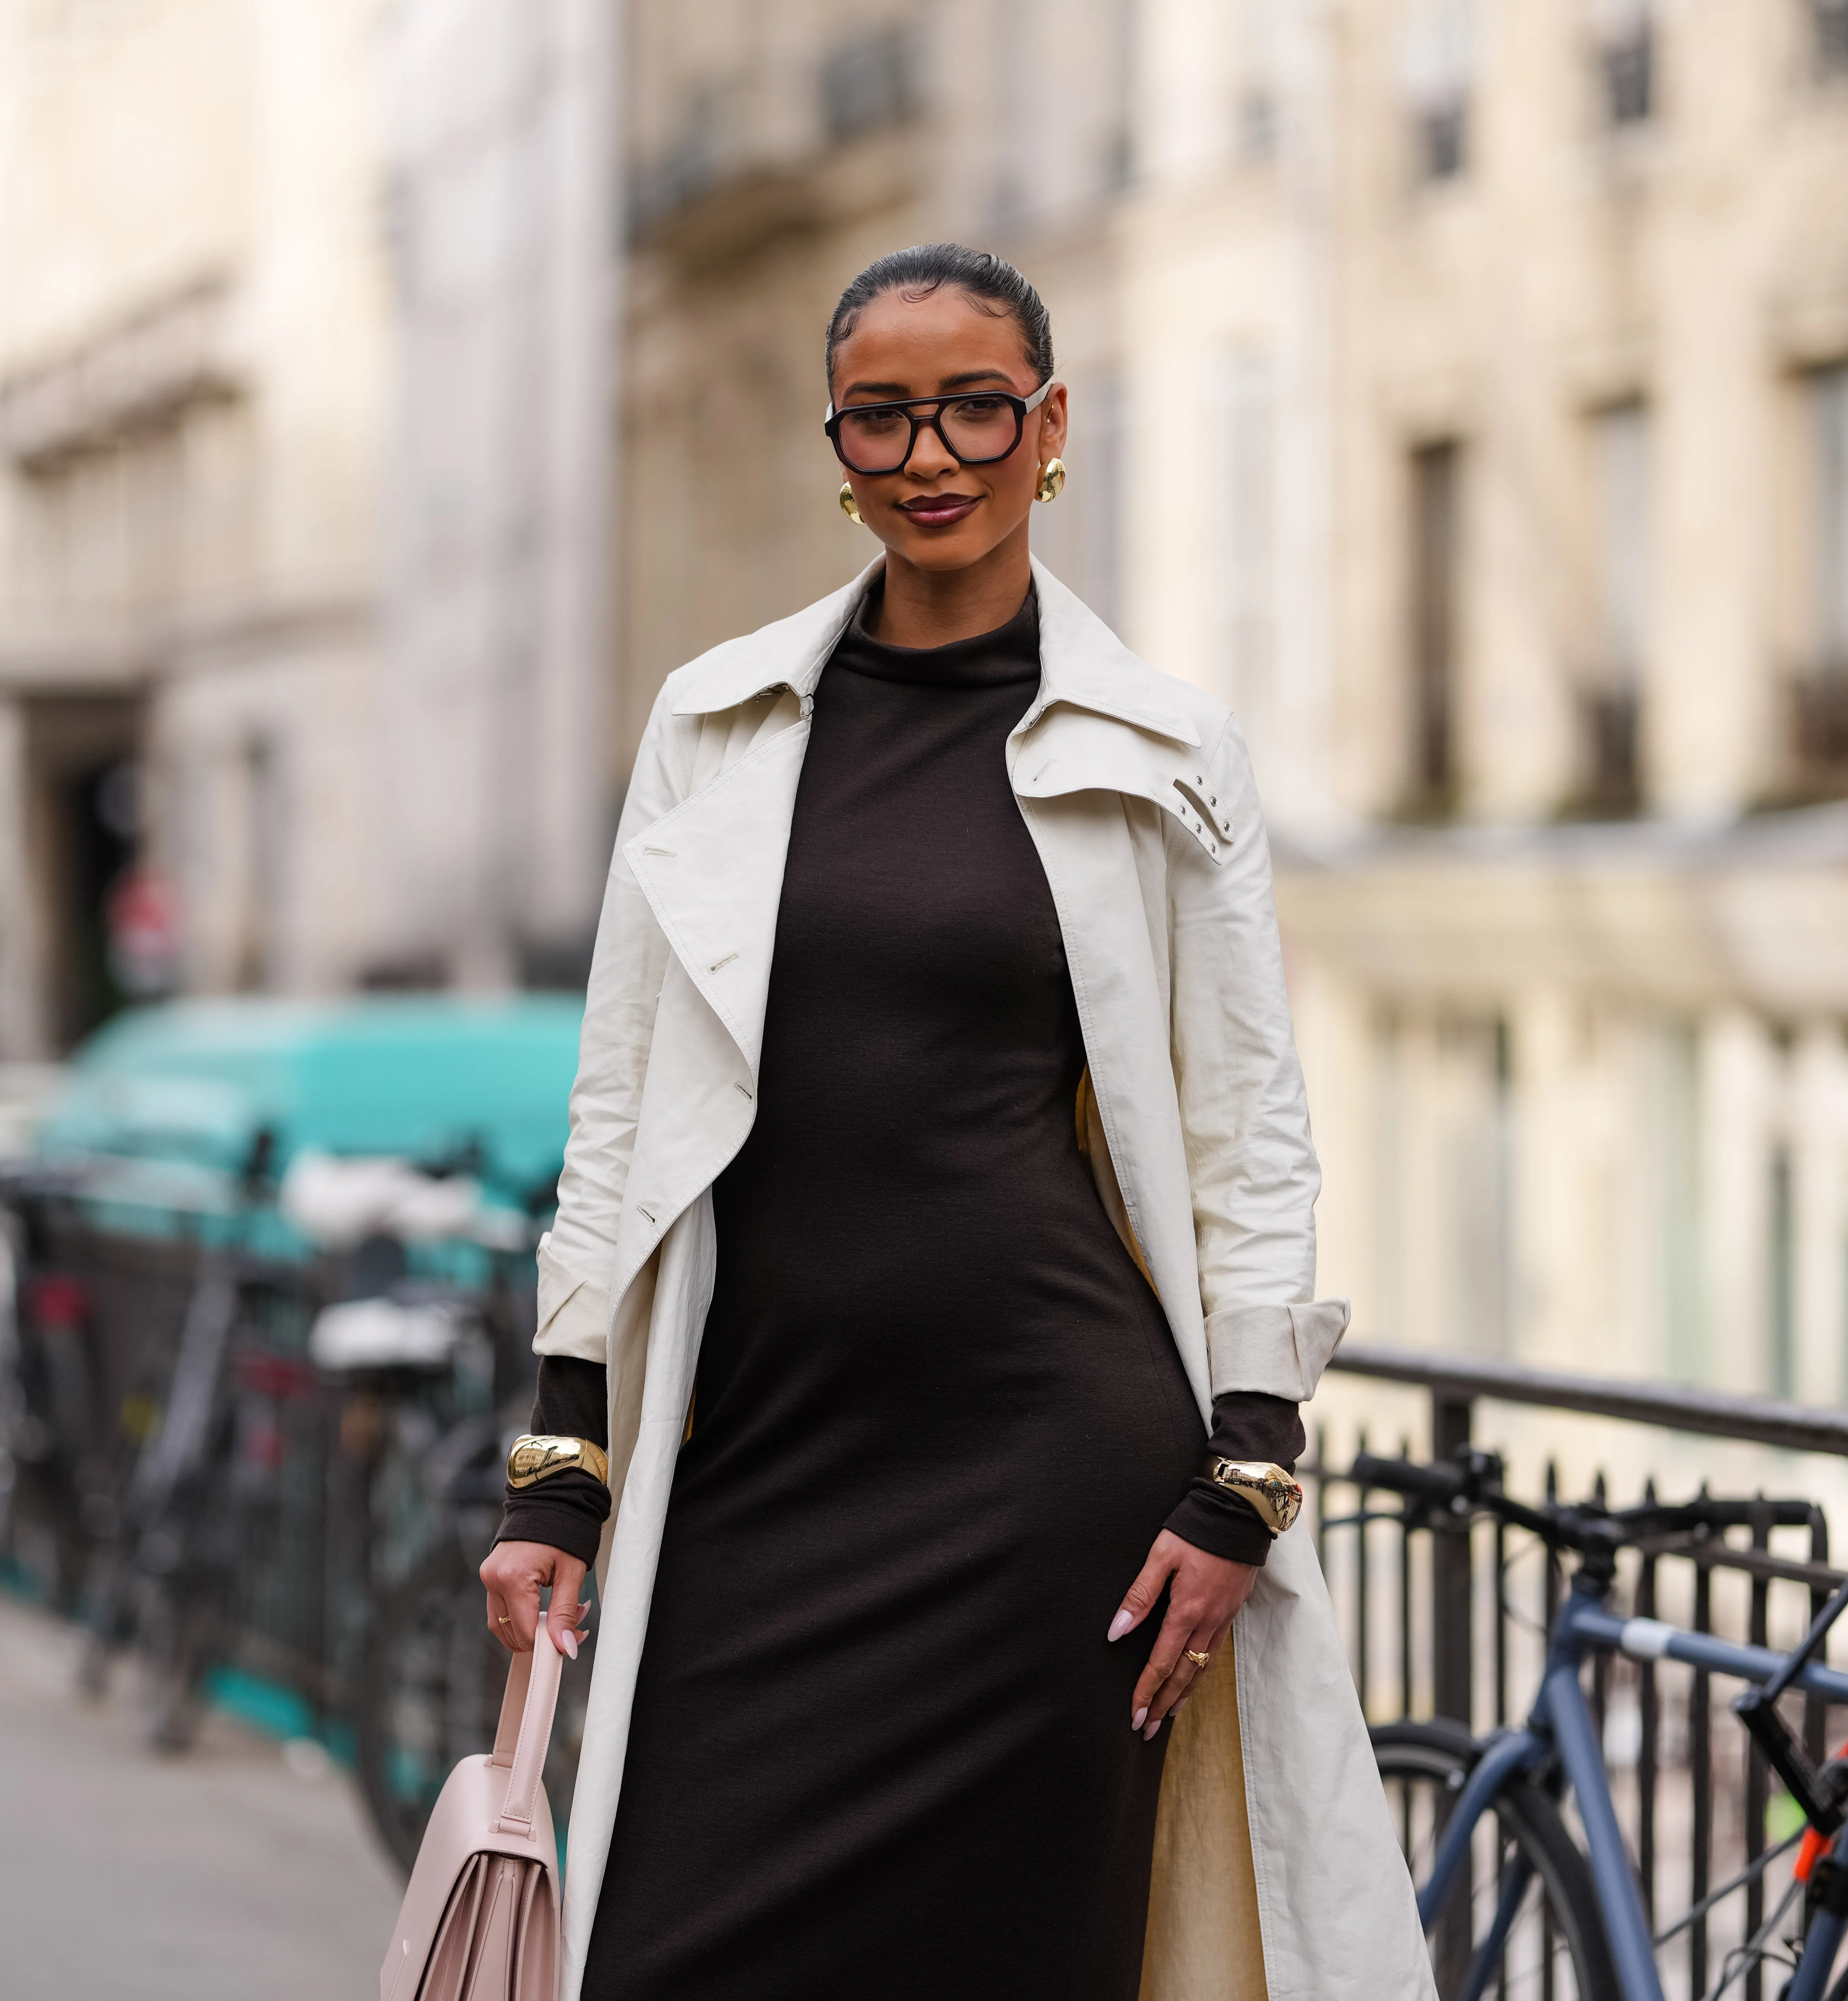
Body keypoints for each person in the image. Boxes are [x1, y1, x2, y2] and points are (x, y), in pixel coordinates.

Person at [479, 243, 1433, 2001]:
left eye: (978, 408)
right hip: (752, 1461)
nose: (933, 455)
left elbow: (1247, 1130)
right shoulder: (717, 723)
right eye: (885, 416)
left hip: (1040, 1493)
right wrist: (562, 1462)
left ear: (1051, 424)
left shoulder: (1164, 746)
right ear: (834, 443)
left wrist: (1245, 1476)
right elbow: (616, 1109)